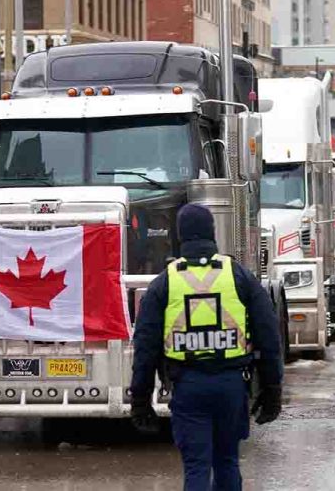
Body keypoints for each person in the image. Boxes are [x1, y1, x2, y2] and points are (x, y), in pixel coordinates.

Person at [131, 204, 283, 491]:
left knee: (197, 467)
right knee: (227, 461)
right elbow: (268, 333)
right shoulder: (238, 276)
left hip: (187, 386)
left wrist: (140, 399)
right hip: (231, 385)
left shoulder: (165, 282)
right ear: (213, 234)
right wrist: (272, 388)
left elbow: (145, 345)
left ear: (180, 236)